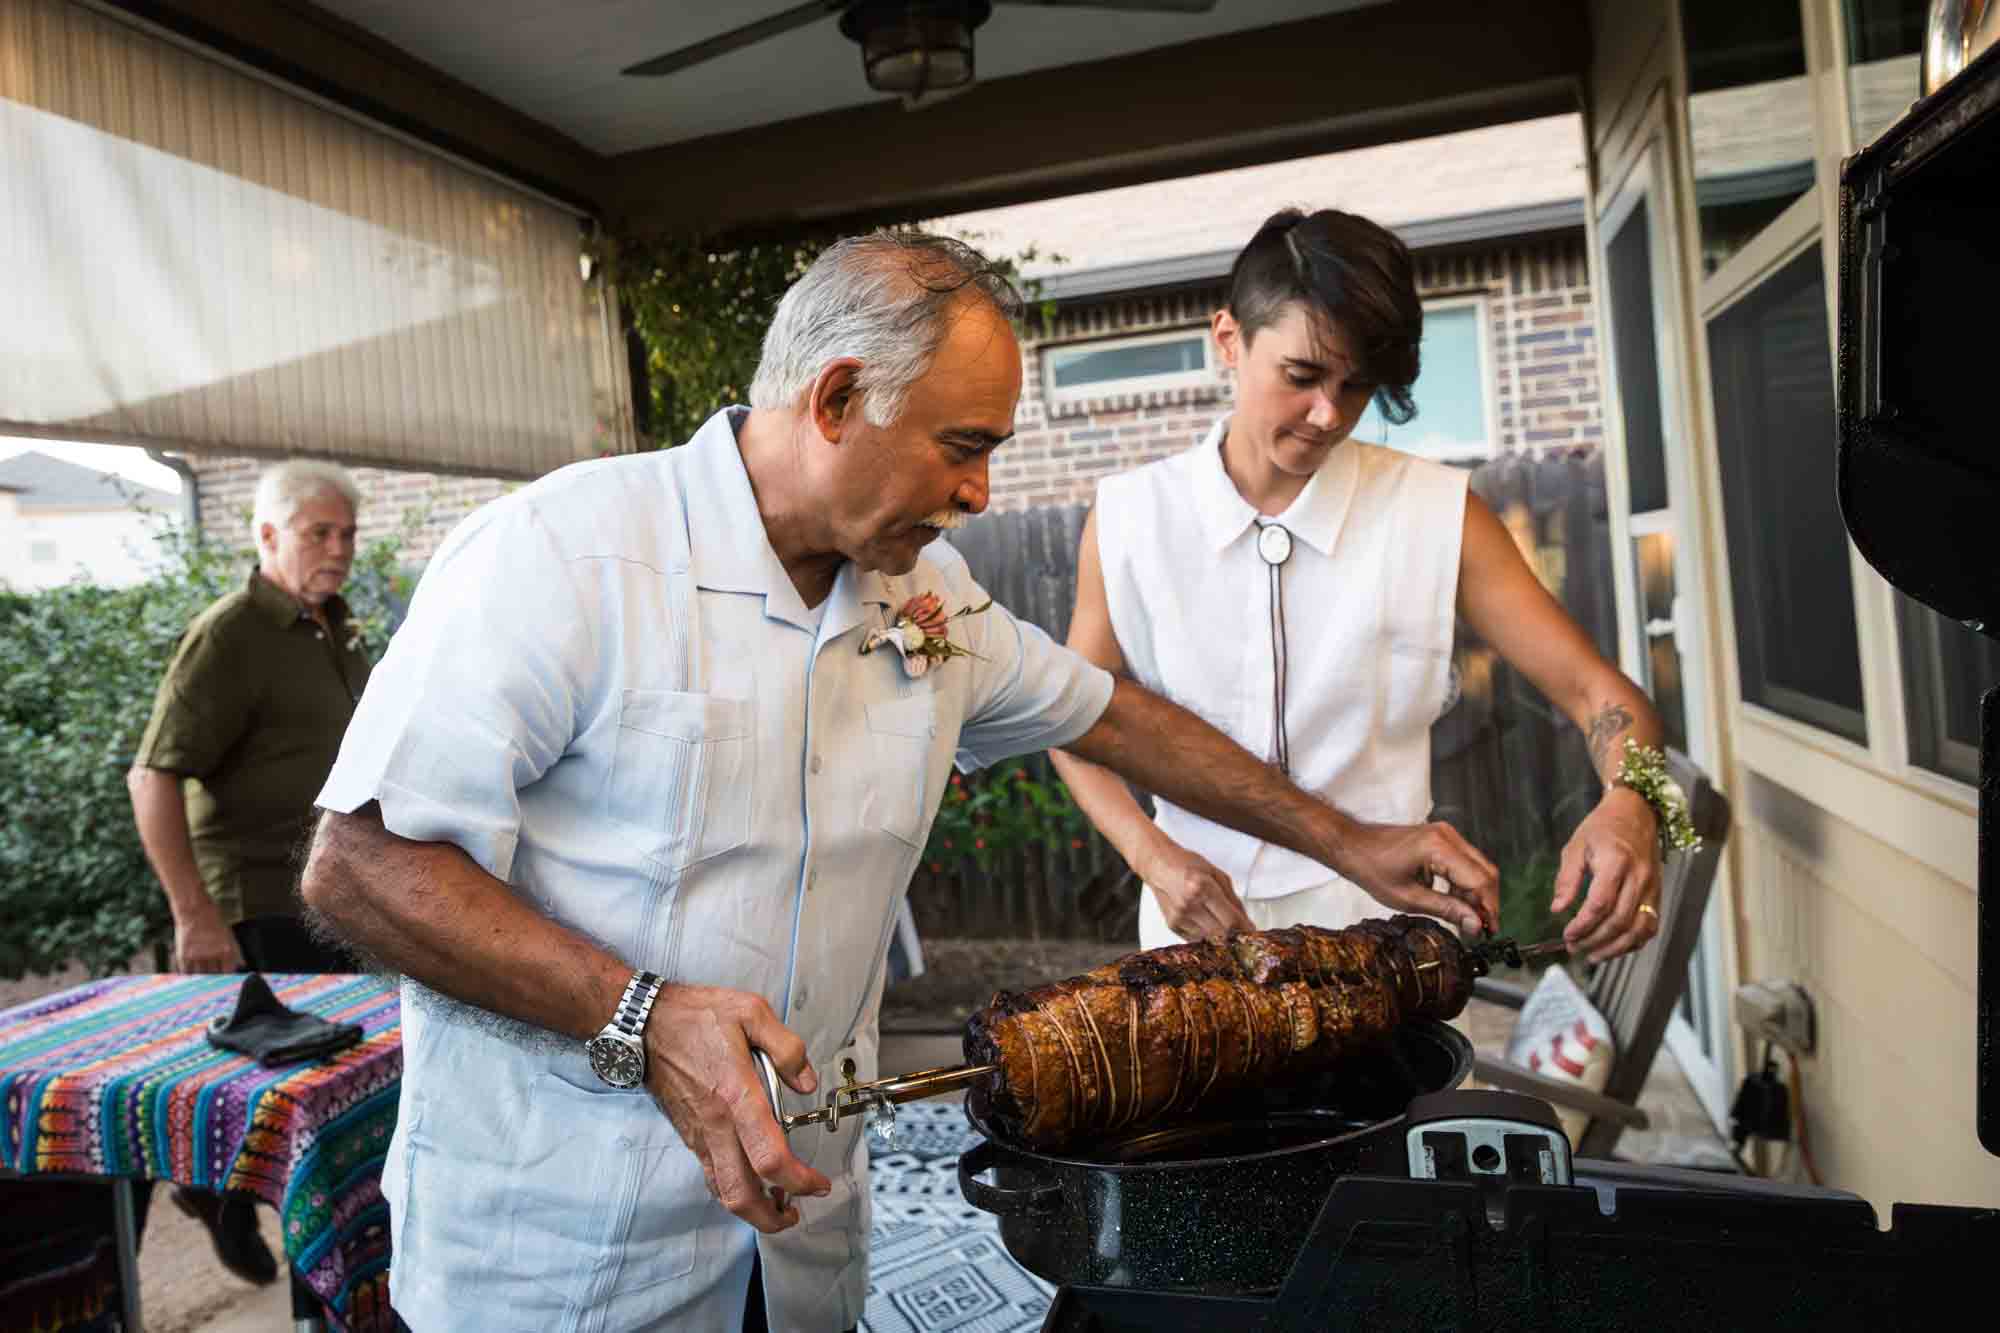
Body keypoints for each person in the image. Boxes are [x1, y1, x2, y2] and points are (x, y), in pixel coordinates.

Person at [298, 231, 1502, 1333]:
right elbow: (360, 868)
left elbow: (1118, 717)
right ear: (834, 399)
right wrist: (642, 1012)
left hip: (801, 1245)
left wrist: (1351, 843)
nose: (979, 491)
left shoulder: (924, 601)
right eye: (962, 446)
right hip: (565, 1259)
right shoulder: (564, 556)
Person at [1048, 208, 1671, 964]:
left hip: (1391, 942)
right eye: (1303, 376)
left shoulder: (1441, 513)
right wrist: (1152, 856)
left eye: (1356, 387)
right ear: (1229, 341)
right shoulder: (1126, 518)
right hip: (1192, 942)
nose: (1329, 414)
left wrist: (1632, 800)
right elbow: (1074, 725)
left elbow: (1599, 694)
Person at [126, 459, 369, 1285]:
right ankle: (245, 1218)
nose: (338, 549)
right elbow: (152, 775)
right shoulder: (232, 633)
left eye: (347, 533)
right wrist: (193, 914)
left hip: (335, 897)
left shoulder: (334, 625)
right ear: (267, 536)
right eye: (318, 533)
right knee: (285, 1101)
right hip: (258, 904)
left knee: (334, 1091)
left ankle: (292, 1246)